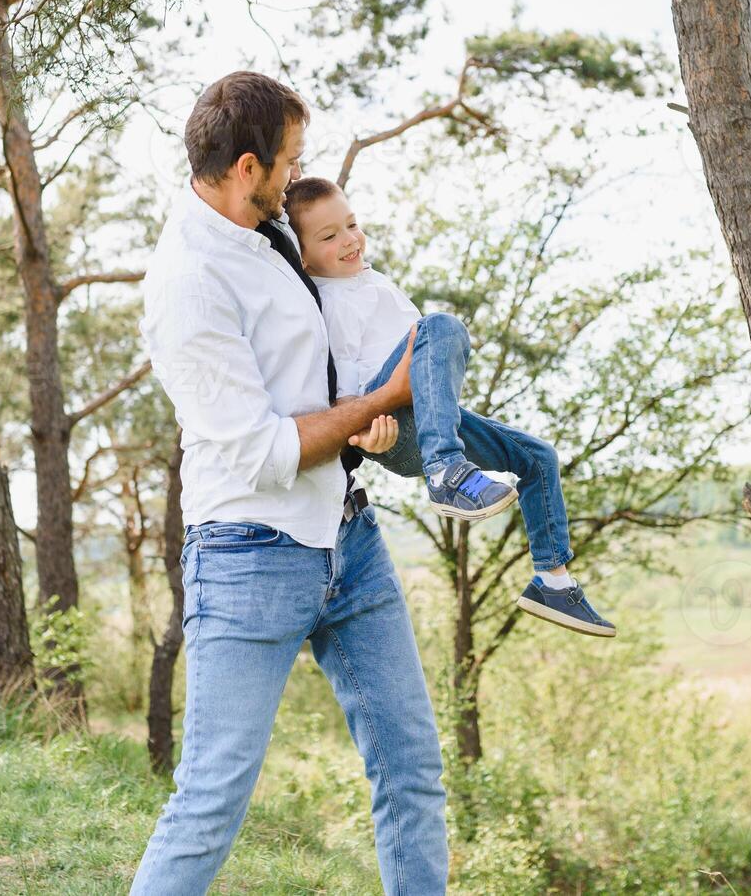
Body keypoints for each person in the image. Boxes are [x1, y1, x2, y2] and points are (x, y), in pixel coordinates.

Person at [130, 71, 449, 895]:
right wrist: (383, 398)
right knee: (211, 801)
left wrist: (373, 421)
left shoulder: (265, 225)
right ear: (246, 166)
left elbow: (319, 363)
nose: (296, 172)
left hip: (350, 539)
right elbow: (265, 450)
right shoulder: (188, 284)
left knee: (412, 770)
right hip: (249, 558)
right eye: (289, 159)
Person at [284, 176, 616, 639]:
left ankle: (553, 580)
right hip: (392, 424)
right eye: (329, 236)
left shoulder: (368, 280)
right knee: (439, 327)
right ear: (303, 256)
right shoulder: (331, 303)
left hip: (428, 420)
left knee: (537, 456)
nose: (349, 240)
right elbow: (341, 389)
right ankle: (445, 472)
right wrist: (361, 430)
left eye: (352, 224)